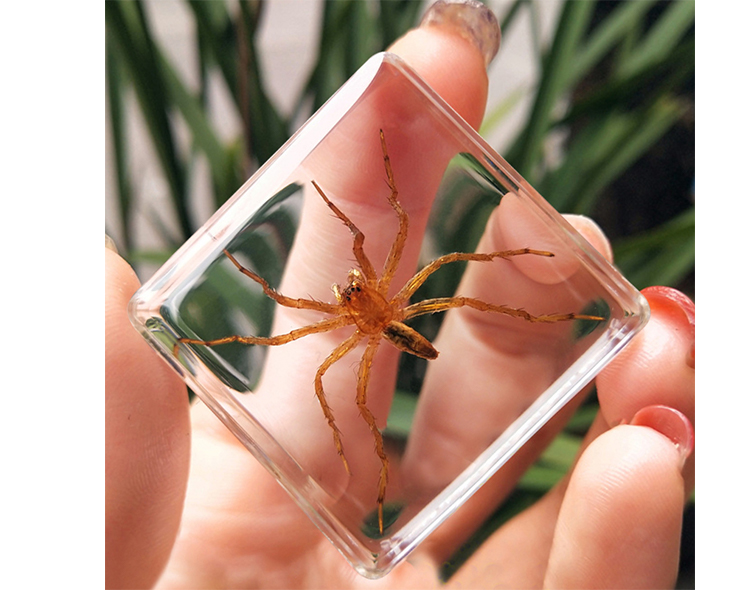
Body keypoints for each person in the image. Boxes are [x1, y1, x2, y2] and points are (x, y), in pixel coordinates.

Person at [105, 1, 695, 587]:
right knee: (340, 378)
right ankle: (388, 480)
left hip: (399, 319)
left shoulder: (366, 295)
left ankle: (560, 308)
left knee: (447, 269)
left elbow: (384, 234)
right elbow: (292, 328)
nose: (349, 289)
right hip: (387, 326)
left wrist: (351, 187)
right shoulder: (339, 318)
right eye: (349, 292)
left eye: (353, 288)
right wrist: (243, 266)